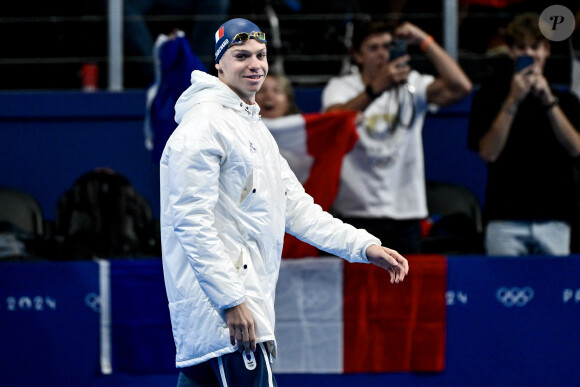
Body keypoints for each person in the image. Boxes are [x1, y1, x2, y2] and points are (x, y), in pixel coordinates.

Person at [159, 18, 409, 386]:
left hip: (229, 316)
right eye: (241, 55)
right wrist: (231, 301)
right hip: (226, 319)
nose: (255, 64)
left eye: (260, 55)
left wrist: (364, 246)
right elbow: (192, 223)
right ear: (219, 64)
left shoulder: (252, 127)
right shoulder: (203, 127)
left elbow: (297, 209)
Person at [321, 19, 473, 254]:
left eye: (388, 46)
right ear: (357, 56)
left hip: (406, 214)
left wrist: (425, 40)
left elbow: (460, 87)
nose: (382, 54)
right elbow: (332, 120)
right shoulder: (341, 86)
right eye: (374, 48)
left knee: (403, 288)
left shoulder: (412, 83)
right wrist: (375, 89)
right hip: (355, 214)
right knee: (359, 291)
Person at [468, 12, 580, 256]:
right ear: (510, 51)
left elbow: (576, 148)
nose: (529, 53)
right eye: (521, 47)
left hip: (556, 216)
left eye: (535, 47)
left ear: (546, 50)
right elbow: (488, 152)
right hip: (504, 217)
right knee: (501, 288)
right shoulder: (488, 97)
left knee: (554, 289)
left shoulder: (567, 101)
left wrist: (549, 101)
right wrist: (513, 100)